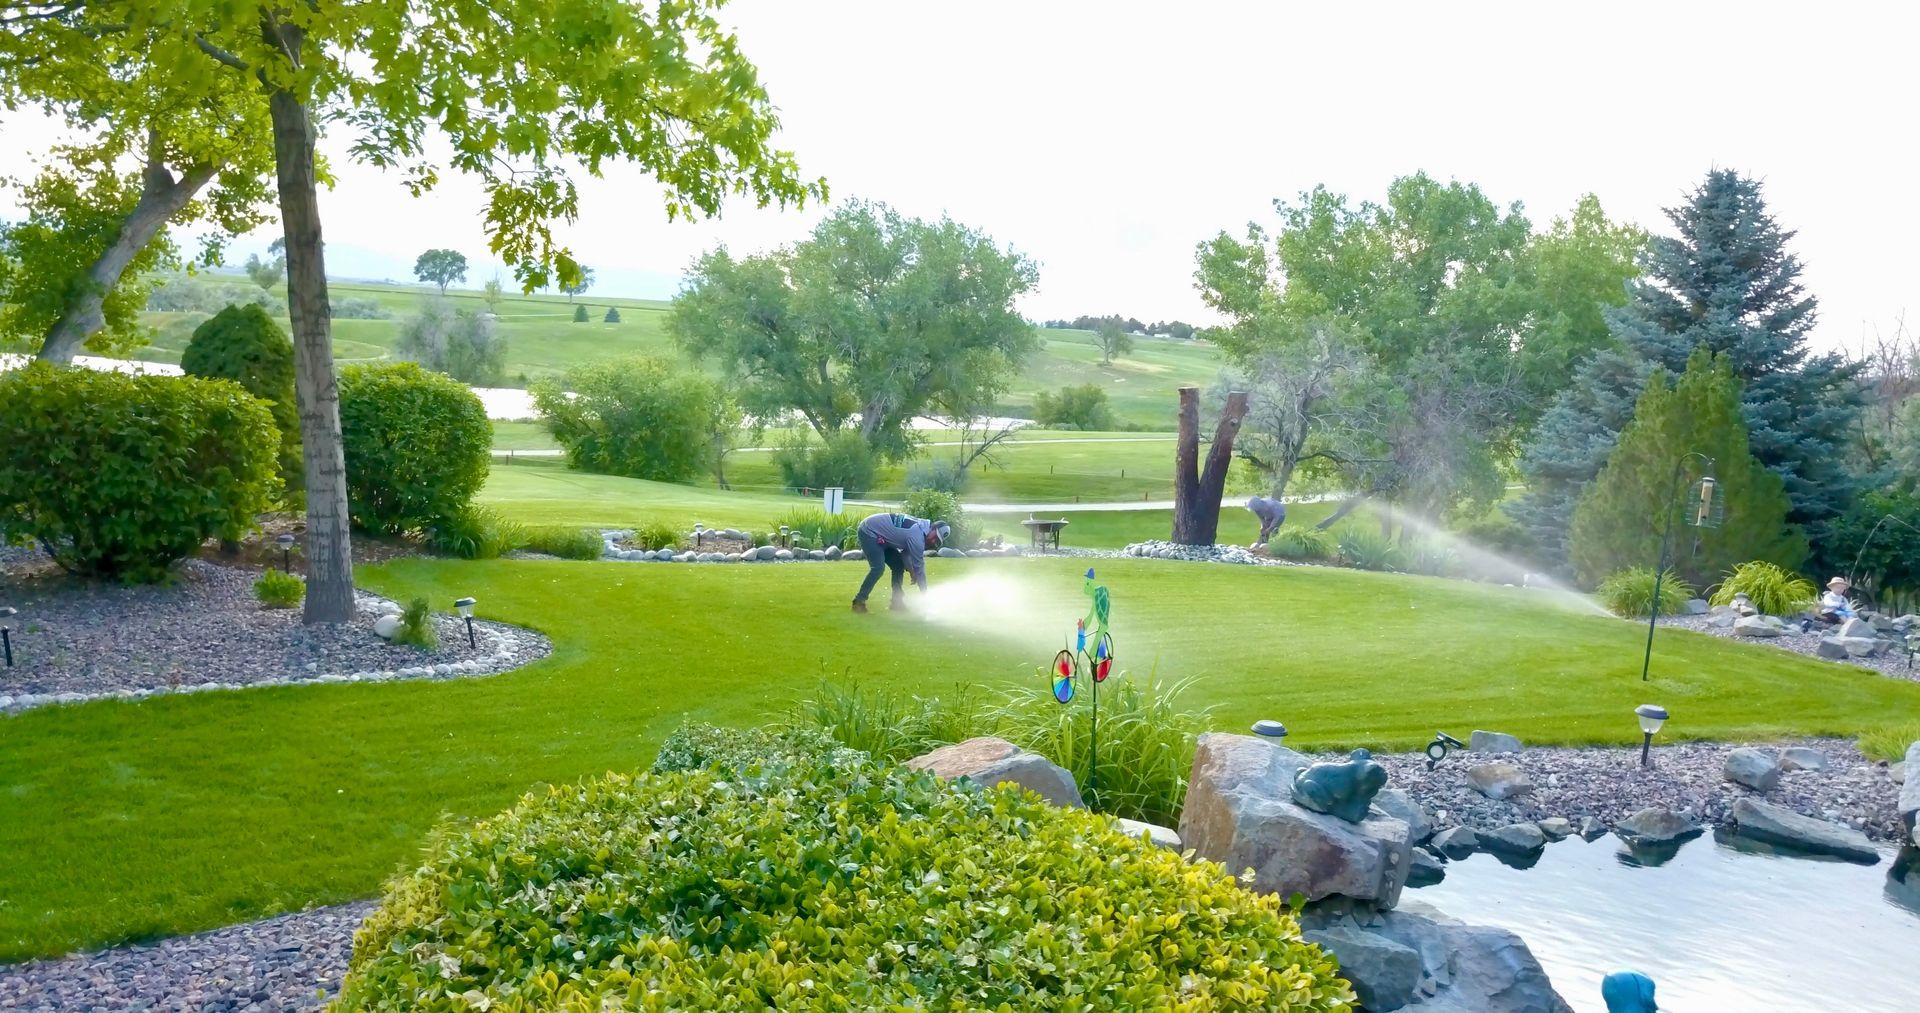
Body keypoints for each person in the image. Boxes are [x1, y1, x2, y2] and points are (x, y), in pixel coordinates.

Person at [851, 511, 950, 613]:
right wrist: (925, 595)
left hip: (882, 536)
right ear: (933, 528)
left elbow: (905, 554)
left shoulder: (921, 526)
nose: (934, 541)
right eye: (935, 536)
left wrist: (911, 571)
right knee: (878, 568)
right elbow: (919, 568)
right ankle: (859, 601)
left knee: (898, 566)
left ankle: (896, 602)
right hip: (868, 531)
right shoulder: (917, 536)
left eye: (937, 540)